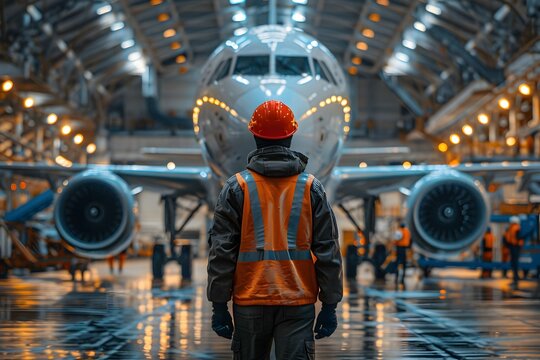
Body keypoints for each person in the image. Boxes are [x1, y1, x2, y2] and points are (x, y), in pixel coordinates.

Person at [207, 100, 343, 359]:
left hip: (250, 301)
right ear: (291, 136)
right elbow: (328, 250)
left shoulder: (236, 187)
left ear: (254, 136)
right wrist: (330, 305)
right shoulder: (311, 188)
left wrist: (219, 305)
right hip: (298, 301)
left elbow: (221, 251)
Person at [504, 216, 524, 288]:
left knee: (514, 263)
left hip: (515, 247)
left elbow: (518, 237)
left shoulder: (516, 228)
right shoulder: (513, 228)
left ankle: (516, 279)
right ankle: (515, 278)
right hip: (514, 247)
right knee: (513, 263)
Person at [393, 223, 411, 287]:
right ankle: (402, 278)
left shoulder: (399, 231)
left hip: (399, 248)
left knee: (397, 263)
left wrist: (394, 244)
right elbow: (410, 240)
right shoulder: (407, 231)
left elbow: (396, 238)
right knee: (404, 264)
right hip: (405, 249)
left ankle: (396, 277)